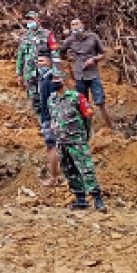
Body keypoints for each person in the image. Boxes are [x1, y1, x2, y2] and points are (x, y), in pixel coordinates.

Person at [47, 76, 106, 211]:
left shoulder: (76, 97)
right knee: (69, 170)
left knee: (86, 169)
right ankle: (80, 198)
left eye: (57, 79)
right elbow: (53, 118)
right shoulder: (51, 100)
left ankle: (97, 198)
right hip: (61, 141)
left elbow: (88, 116)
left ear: (63, 80)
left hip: (76, 140)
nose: (54, 82)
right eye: (52, 80)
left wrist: (83, 134)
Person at [60, 17, 115, 131]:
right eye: (73, 25)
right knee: (83, 104)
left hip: (93, 75)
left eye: (77, 24)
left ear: (82, 25)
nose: (75, 26)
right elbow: (60, 51)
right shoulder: (69, 40)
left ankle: (111, 129)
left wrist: (94, 59)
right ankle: (87, 131)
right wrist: (69, 58)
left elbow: (103, 53)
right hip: (79, 76)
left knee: (100, 102)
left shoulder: (93, 37)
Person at [15, 11, 58, 114]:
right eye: (28, 20)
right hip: (29, 74)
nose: (30, 22)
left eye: (32, 19)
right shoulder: (24, 37)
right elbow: (20, 57)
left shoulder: (48, 34)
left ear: (38, 20)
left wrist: (56, 71)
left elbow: (55, 53)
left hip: (44, 72)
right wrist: (19, 74)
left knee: (47, 97)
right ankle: (42, 123)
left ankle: (51, 122)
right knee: (34, 99)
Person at [34, 54, 65, 186]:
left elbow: (56, 100)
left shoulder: (51, 79)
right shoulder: (45, 79)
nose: (38, 63)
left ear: (49, 63)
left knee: (51, 147)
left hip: (52, 118)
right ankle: (60, 176)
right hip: (50, 117)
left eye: (42, 61)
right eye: (37, 61)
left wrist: (53, 119)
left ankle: (54, 177)